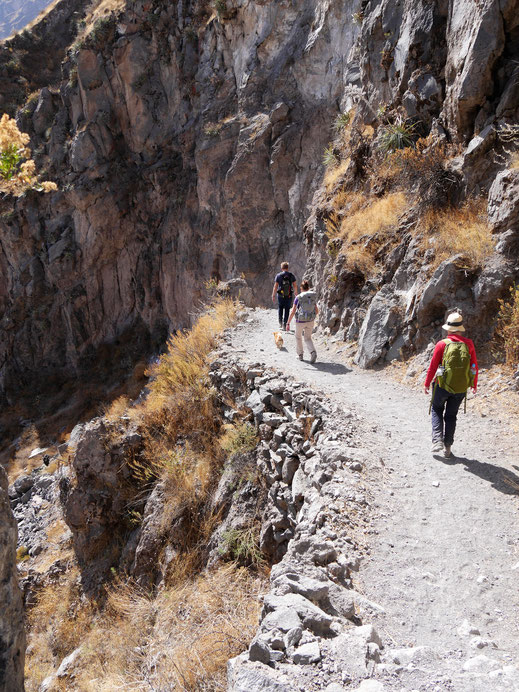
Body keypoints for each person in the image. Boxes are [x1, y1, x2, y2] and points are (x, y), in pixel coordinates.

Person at [424, 310, 478, 458]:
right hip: (460, 388)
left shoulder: (442, 344)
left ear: (448, 329)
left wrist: (427, 383)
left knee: (436, 409)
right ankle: (448, 448)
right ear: (460, 329)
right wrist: (473, 384)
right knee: (451, 416)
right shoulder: (469, 344)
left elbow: (433, 366)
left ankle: (437, 441)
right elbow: (474, 366)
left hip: (442, 386)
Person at [287, 280, 319, 363]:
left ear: (301, 288)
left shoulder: (298, 297)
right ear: (308, 288)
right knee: (308, 338)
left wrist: (288, 322)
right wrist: (311, 317)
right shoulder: (312, 297)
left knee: (298, 337)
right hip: (310, 320)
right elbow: (317, 310)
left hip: (300, 321)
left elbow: (293, 311)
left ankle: (300, 355)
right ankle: (313, 352)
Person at [272, 262, 297, 331]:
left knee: (280, 308)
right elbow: (295, 285)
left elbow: (275, 286)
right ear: (287, 268)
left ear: (281, 268)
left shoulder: (278, 275)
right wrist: (296, 293)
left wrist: (273, 295)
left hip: (280, 295)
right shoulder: (291, 275)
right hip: (289, 295)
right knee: (287, 309)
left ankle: (280, 322)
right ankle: (285, 324)